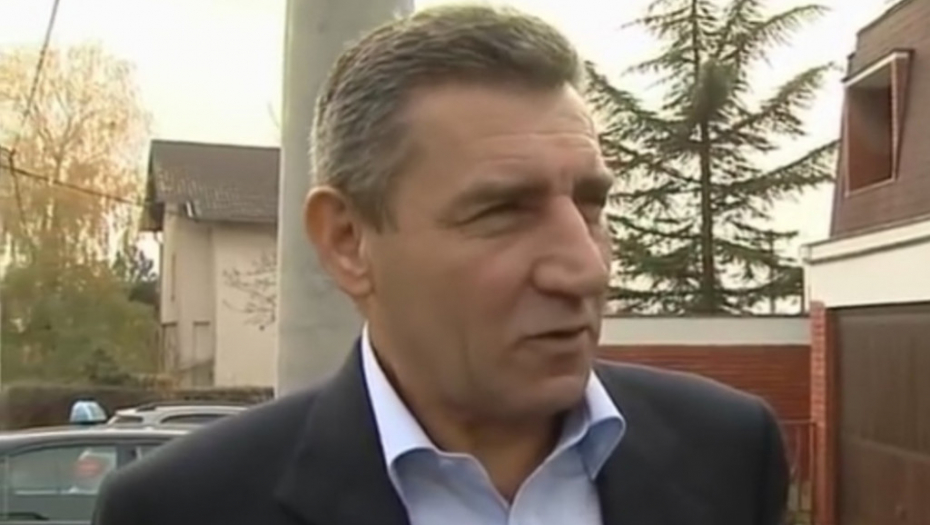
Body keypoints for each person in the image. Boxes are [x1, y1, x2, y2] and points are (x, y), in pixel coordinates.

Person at [93, 5, 788, 525]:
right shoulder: (182, 507)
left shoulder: (729, 452)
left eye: (591, 203)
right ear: (347, 241)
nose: (585, 269)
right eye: (503, 211)